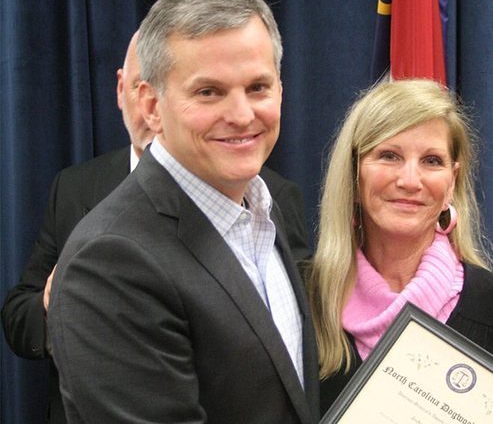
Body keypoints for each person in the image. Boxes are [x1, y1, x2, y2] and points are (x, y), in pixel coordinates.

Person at [3, 25, 309, 423]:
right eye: (208, 91)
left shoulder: (266, 203)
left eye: (257, 87)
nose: (241, 115)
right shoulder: (107, 256)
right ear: (150, 104)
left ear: (281, 90)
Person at [306, 79, 493, 415]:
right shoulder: (305, 297)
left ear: (452, 182)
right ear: (354, 175)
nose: (409, 180)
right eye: (389, 156)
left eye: (432, 161)